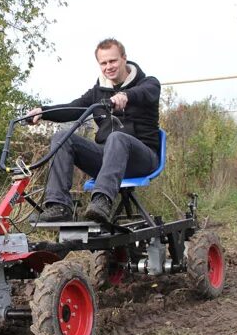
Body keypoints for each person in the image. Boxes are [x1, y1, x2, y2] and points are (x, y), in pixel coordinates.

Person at [26, 38, 160, 224]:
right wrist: (43, 111)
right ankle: (59, 206)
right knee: (62, 137)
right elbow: (74, 108)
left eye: (113, 61)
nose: (108, 67)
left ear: (124, 58)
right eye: (103, 63)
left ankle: (102, 201)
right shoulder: (99, 92)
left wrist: (125, 96)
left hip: (142, 159)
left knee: (117, 138)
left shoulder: (148, 83)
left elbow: (144, 92)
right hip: (108, 160)